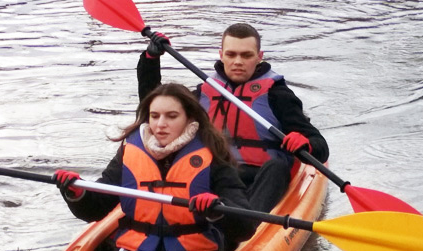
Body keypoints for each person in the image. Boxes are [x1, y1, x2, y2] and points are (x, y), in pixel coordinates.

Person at [55, 83, 255, 251]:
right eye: (155, 116)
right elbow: (96, 208)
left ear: (189, 118)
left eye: (171, 116)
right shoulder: (129, 152)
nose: (161, 124)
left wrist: (217, 209)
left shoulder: (211, 155)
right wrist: (76, 193)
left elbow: (244, 227)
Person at [137, 23, 329, 213]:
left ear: (259, 57)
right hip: (217, 175)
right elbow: (154, 105)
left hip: (260, 179)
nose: (238, 61)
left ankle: (249, 224)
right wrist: (150, 59)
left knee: (277, 167)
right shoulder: (204, 92)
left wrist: (306, 144)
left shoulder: (278, 96)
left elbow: (320, 147)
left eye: (246, 55)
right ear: (221, 55)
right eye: (231, 55)